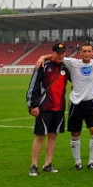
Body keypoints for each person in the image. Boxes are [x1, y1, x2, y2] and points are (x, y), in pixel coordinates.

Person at [35, 41, 93, 170]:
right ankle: (77, 163)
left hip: (91, 103)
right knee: (75, 133)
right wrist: (43, 57)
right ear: (80, 53)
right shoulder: (73, 63)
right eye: (84, 51)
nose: (87, 53)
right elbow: (56, 56)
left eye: (89, 51)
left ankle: (92, 162)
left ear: (92, 53)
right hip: (76, 104)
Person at [26, 42, 70, 176]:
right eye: (58, 53)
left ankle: (48, 164)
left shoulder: (65, 68)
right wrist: (33, 105)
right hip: (44, 107)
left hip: (59, 108)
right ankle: (34, 165)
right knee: (40, 136)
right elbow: (33, 86)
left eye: (63, 53)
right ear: (53, 53)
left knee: (53, 136)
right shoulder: (43, 66)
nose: (61, 55)